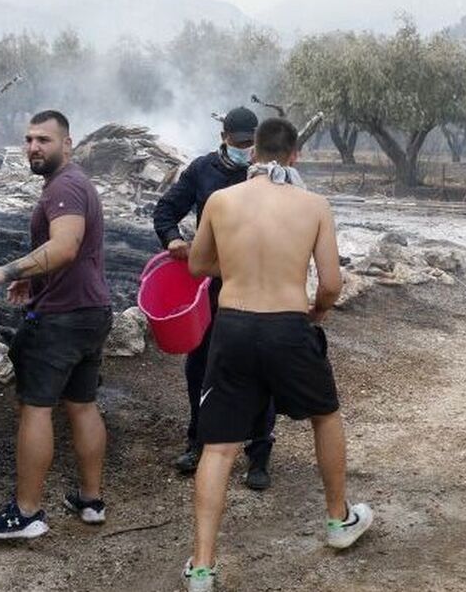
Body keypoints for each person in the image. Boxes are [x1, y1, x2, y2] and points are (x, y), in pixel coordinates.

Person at [181, 117, 372, 591]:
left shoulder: (222, 201)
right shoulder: (314, 205)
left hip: (234, 327)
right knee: (325, 416)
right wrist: (316, 314)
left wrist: (242, 262)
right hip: (288, 324)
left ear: (254, 153)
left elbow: (198, 264)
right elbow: (330, 284)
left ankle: (202, 568)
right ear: (295, 156)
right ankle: (338, 521)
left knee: (220, 446)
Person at [0, 110, 114, 538]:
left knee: (36, 408)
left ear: (67, 145)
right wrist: (34, 280)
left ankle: (27, 512)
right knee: (82, 403)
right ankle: (91, 500)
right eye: (29, 139)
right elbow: (70, 254)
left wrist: (6, 271)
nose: (34, 147)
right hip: (90, 311)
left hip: (62, 321)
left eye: (45, 140)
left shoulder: (65, 187)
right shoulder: (72, 183)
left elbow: (66, 247)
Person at [152, 106, 276, 490]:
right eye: (241, 143)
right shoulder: (202, 171)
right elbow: (166, 210)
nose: (247, 150)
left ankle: (259, 453)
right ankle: (199, 440)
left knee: (258, 368)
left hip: (256, 284)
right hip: (211, 287)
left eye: (252, 144)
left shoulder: (268, 175)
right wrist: (172, 238)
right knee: (202, 365)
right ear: (223, 138)